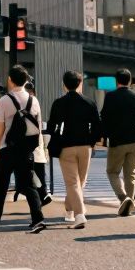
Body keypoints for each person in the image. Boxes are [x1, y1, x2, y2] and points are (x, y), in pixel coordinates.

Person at [0, 65, 47, 232]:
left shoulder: (5, 100)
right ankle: (37, 217)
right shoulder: (34, 100)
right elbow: (38, 127)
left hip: (7, 149)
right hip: (26, 149)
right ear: (26, 81)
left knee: (1, 186)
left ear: (10, 80)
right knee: (29, 184)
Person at [47, 70, 100, 228]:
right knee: (79, 182)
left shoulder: (58, 103)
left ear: (64, 85)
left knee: (72, 183)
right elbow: (97, 126)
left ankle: (78, 214)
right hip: (85, 146)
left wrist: (57, 136)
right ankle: (70, 210)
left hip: (66, 146)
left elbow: (51, 126)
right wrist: (91, 141)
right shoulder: (89, 102)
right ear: (80, 84)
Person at [100, 68, 135, 217]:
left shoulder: (111, 97)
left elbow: (105, 118)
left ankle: (123, 198)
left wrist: (105, 137)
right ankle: (130, 203)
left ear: (116, 81)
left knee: (112, 171)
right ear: (130, 81)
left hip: (117, 141)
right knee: (131, 174)